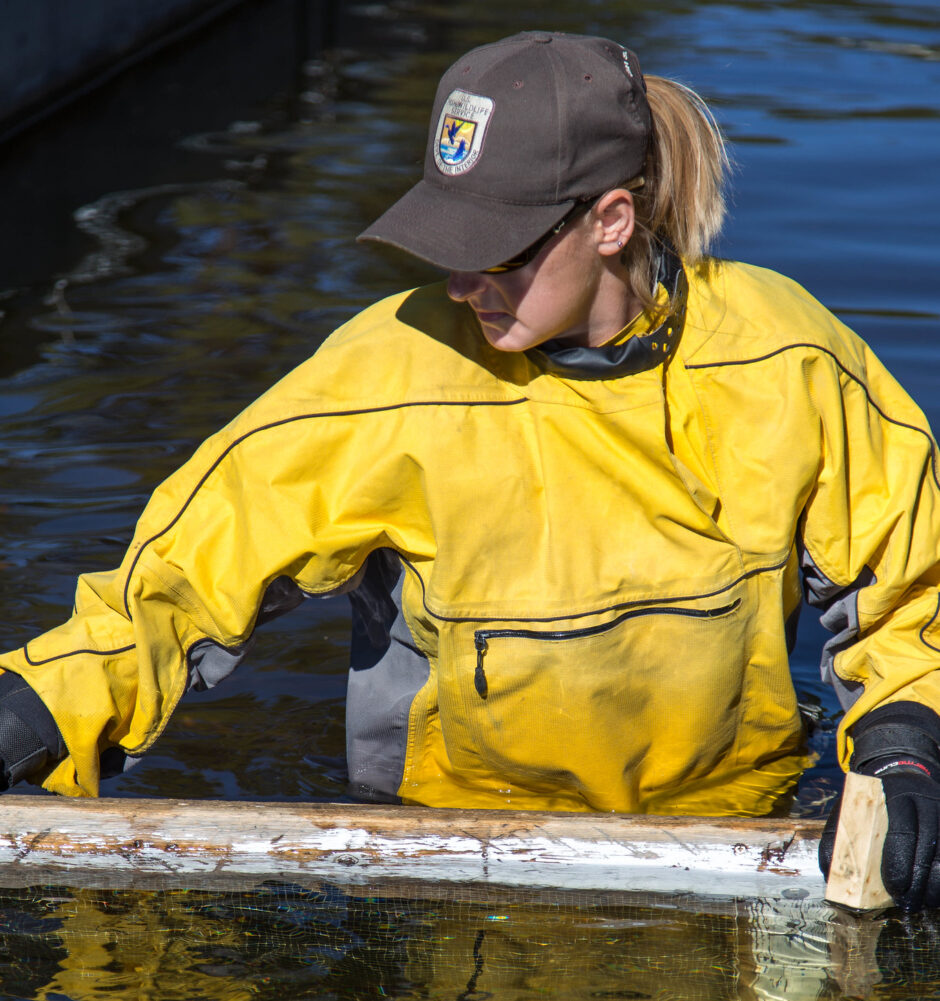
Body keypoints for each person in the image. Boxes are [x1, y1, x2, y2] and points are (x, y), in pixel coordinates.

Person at [1, 30, 939, 910]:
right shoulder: (389, 371)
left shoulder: (791, 361)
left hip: (733, 838)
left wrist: (908, 749)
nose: (460, 285)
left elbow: (911, 604)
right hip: (445, 854)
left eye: (494, 252)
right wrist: (41, 706)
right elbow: (176, 584)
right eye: (446, 247)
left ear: (612, 220)